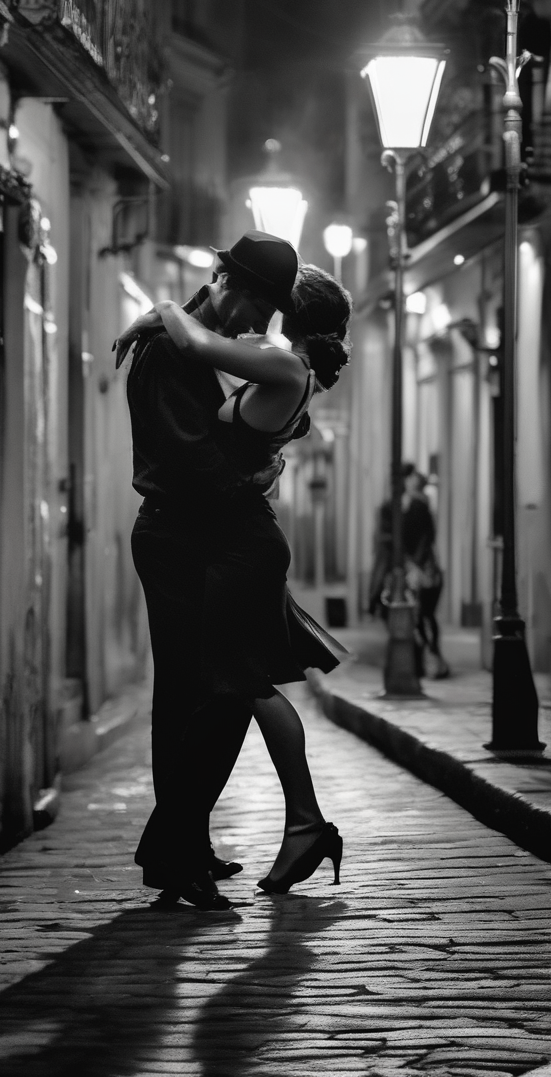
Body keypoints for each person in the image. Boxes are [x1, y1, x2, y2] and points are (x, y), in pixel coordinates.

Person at [117, 259, 352, 902]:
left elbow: (199, 352)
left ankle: (189, 843)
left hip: (233, 538)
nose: (262, 322)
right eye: (262, 305)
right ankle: (209, 839)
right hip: (219, 533)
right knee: (219, 694)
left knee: (227, 693)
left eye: (275, 312)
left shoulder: (274, 363)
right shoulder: (261, 360)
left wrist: (159, 309)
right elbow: (197, 439)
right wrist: (255, 472)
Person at [369, 463, 450, 679]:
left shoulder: (419, 506)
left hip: (422, 567)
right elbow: (385, 538)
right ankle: (415, 661)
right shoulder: (387, 507)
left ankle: (432, 656)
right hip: (397, 568)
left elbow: (428, 535)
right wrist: (403, 560)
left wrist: (417, 562)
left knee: (425, 614)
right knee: (398, 615)